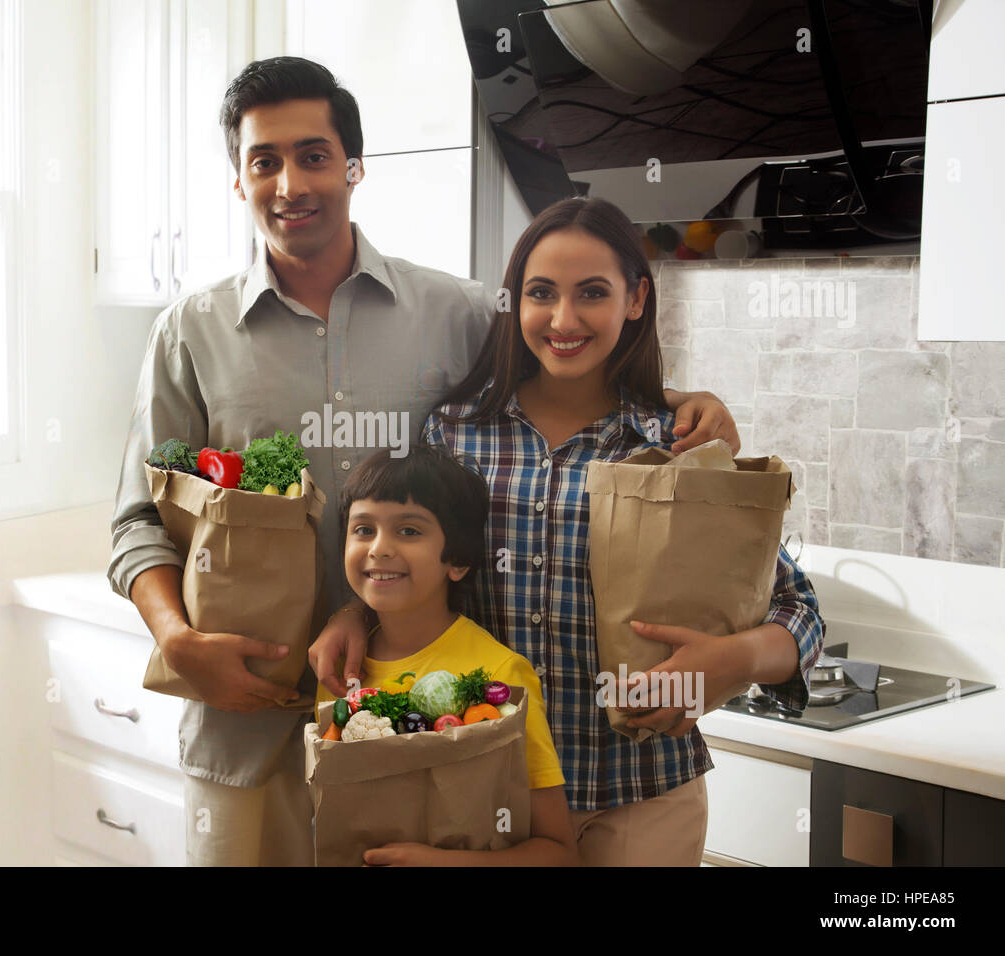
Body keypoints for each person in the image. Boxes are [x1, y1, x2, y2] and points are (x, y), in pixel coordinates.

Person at [109, 56, 740, 867]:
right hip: (249, 730)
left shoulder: (463, 312)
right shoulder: (188, 334)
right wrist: (178, 639)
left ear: (354, 167)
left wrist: (685, 402)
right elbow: (136, 519)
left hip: (423, 741)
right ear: (238, 179)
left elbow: (572, 361)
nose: (290, 183)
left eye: (314, 155)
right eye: (263, 161)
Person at [312, 196, 826, 865]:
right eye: (540, 294)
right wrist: (357, 611)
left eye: (592, 293)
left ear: (636, 299)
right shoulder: (453, 435)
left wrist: (733, 659)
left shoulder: (677, 450)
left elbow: (800, 610)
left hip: (642, 794)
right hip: (486, 797)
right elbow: (406, 552)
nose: (563, 319)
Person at [317, 445, 576, 865]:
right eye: (363, 529)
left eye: (409, 531)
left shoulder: (501, 675)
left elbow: (558, 852)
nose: (379, 548)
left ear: (457, 560)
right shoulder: (338, 666)